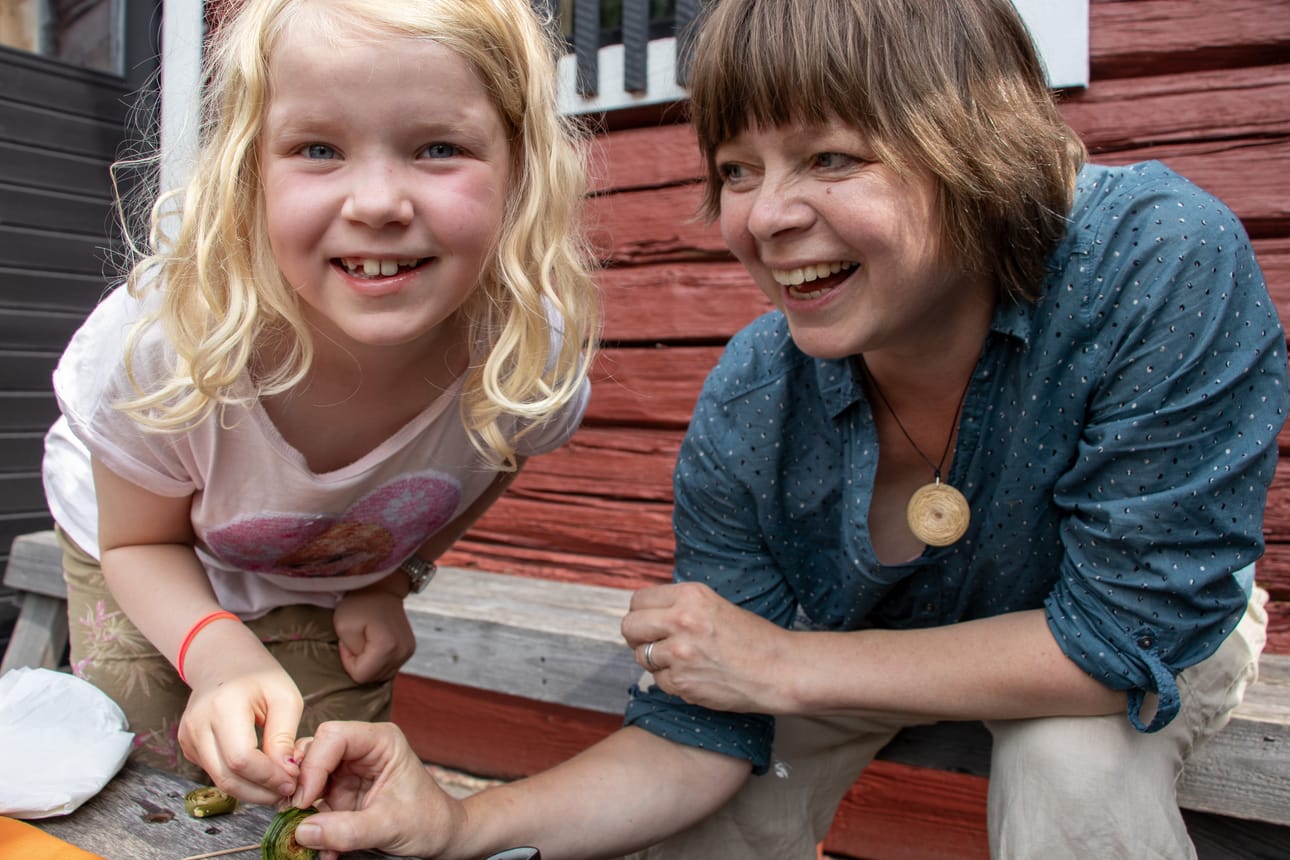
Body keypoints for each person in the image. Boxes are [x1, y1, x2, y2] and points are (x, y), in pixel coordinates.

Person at [286, 0, 1289, 857]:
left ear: (976, 141)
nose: (764, 218)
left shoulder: (1152, 257)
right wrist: (463, 822)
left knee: (1069, 758)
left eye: (831, 157)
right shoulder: (756, 400)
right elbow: (701, 723)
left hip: (1138, 620)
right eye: (735, 169)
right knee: (714, 813)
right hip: (874, 631)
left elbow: (1129, 633)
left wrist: (781, 664)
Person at [40, 0, 597, 806]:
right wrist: (217, 652)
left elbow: (498, 455)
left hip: (322, 561)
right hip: (141, 538)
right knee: (145, 766)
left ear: (522, 168)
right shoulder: (167, 344)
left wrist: (392, 578)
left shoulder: (526, 354)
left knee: (325, 780)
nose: (376, 203)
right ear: (247, 172)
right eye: (318, 149)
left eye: (439, 147)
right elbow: (138, 545)